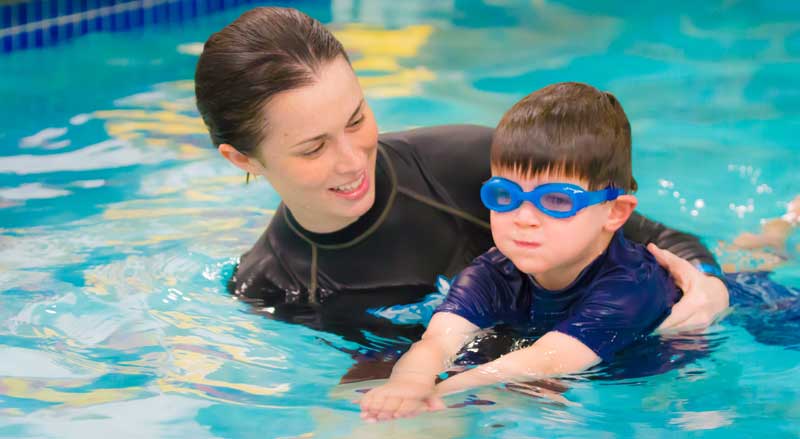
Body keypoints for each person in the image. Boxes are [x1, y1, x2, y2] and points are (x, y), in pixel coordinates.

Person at [193, 7, 729, 347]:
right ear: (243, 159)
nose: (354, 160)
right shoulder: (272, 285)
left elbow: (657, 239)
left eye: (357, 120)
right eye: (313, 148)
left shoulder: (466, 164)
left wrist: (709, 286)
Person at [359, 82, 691, 421]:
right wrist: (409, 383)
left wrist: (439, 390)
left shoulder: (632, 286)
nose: (524, 218)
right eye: (505, 196)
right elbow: (437, 342)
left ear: (615, 212)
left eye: (557, 201)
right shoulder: (491, 272)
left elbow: (548, 360)